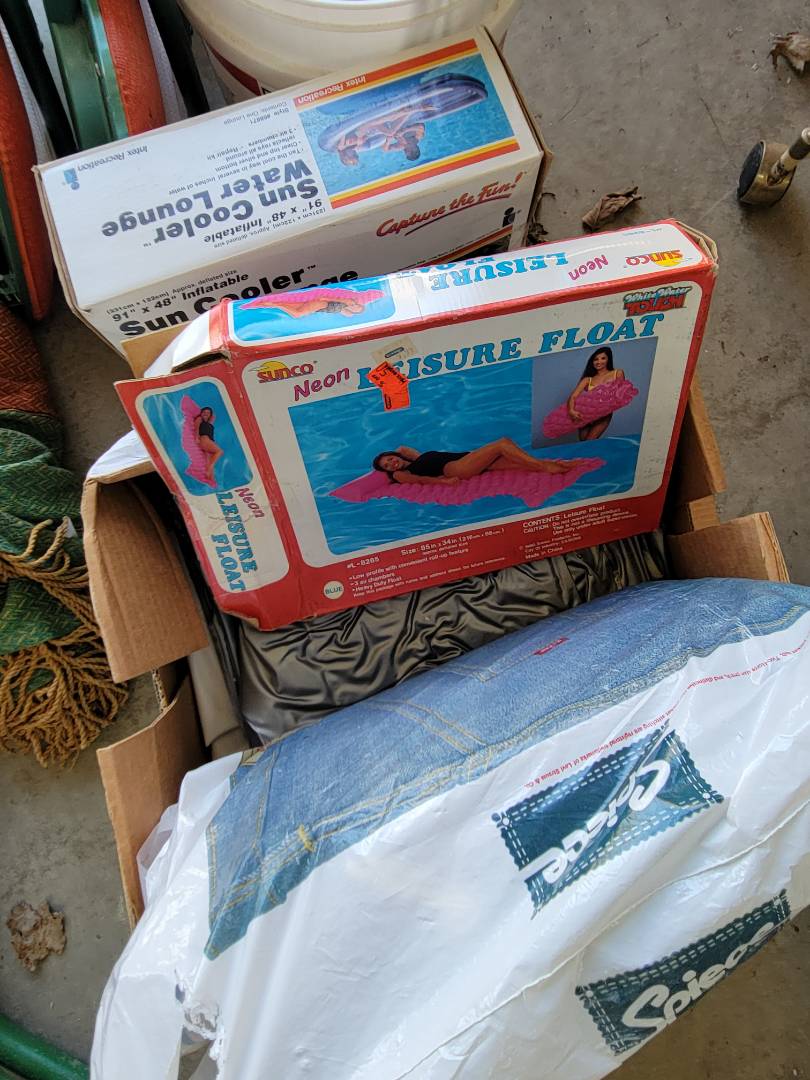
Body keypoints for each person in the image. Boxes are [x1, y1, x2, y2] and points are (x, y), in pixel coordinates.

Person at [372, 440, 584, 486]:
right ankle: (543, 466)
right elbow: (420, 480)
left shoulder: (414, 459)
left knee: (516, 462)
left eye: (389, 459)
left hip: (465, 458)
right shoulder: (399, 474)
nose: (391, 464)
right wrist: (444, 483)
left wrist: (398, 455)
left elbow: (403, 449)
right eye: (386, 466)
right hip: (457, 468)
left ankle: (566, 465)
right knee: (502, 444)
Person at [566, 347, 625, 441]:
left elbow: (621, 394)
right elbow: (573, 396)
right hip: (584, 414)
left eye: (603, 358)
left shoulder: (617, 373)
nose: (599, 362)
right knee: (583, 443)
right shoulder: (587, 379)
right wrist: (571, 411)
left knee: (589, 442)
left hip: (604, 414)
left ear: (608, 359)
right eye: (596, 359)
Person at [193, 407, 223, 483]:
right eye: (204, 412)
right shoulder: (199, 419)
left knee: (209, 463)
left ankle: (211, 482)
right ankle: (209, 468)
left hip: (209, 441)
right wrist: (196, 438)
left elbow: (213, 416)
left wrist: (209, 416)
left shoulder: (209, 423)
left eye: (208, 413)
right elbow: (196, 428)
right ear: (201, 413)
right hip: (204, 440)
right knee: (220, 451)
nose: (206, 413)